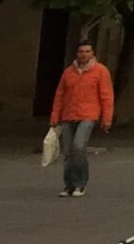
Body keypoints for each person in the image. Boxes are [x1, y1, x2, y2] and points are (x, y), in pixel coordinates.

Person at [48, 39, 114, 199]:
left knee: (79, 147)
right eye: (81, 52)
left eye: (87, 51)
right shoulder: (68, 72)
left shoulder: (100, 71)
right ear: (76, 54)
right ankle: (69, 185)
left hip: (88, 115)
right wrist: (55, 116)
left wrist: (107, 118)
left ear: (92, 53)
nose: (83, 55)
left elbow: (106, 95)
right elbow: (60, 95)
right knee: (69, 152)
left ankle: (80, 183)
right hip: (68, 115)